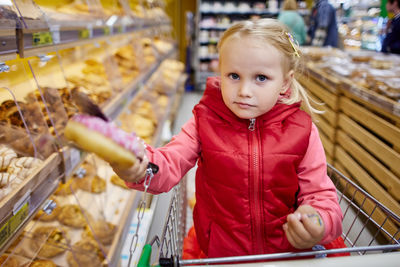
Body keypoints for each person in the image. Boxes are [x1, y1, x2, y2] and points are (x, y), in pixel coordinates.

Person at [112, 19, 344, 258]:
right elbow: (171, 161)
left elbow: (320, 194)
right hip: (222, 254)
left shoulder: (302, 130)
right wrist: (142, 167)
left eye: (261, 78)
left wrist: (318, 222)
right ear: (220, 73)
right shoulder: (204, 121)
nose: (244, 90)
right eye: (233, 75)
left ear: (285, 82)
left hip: (286, 254)